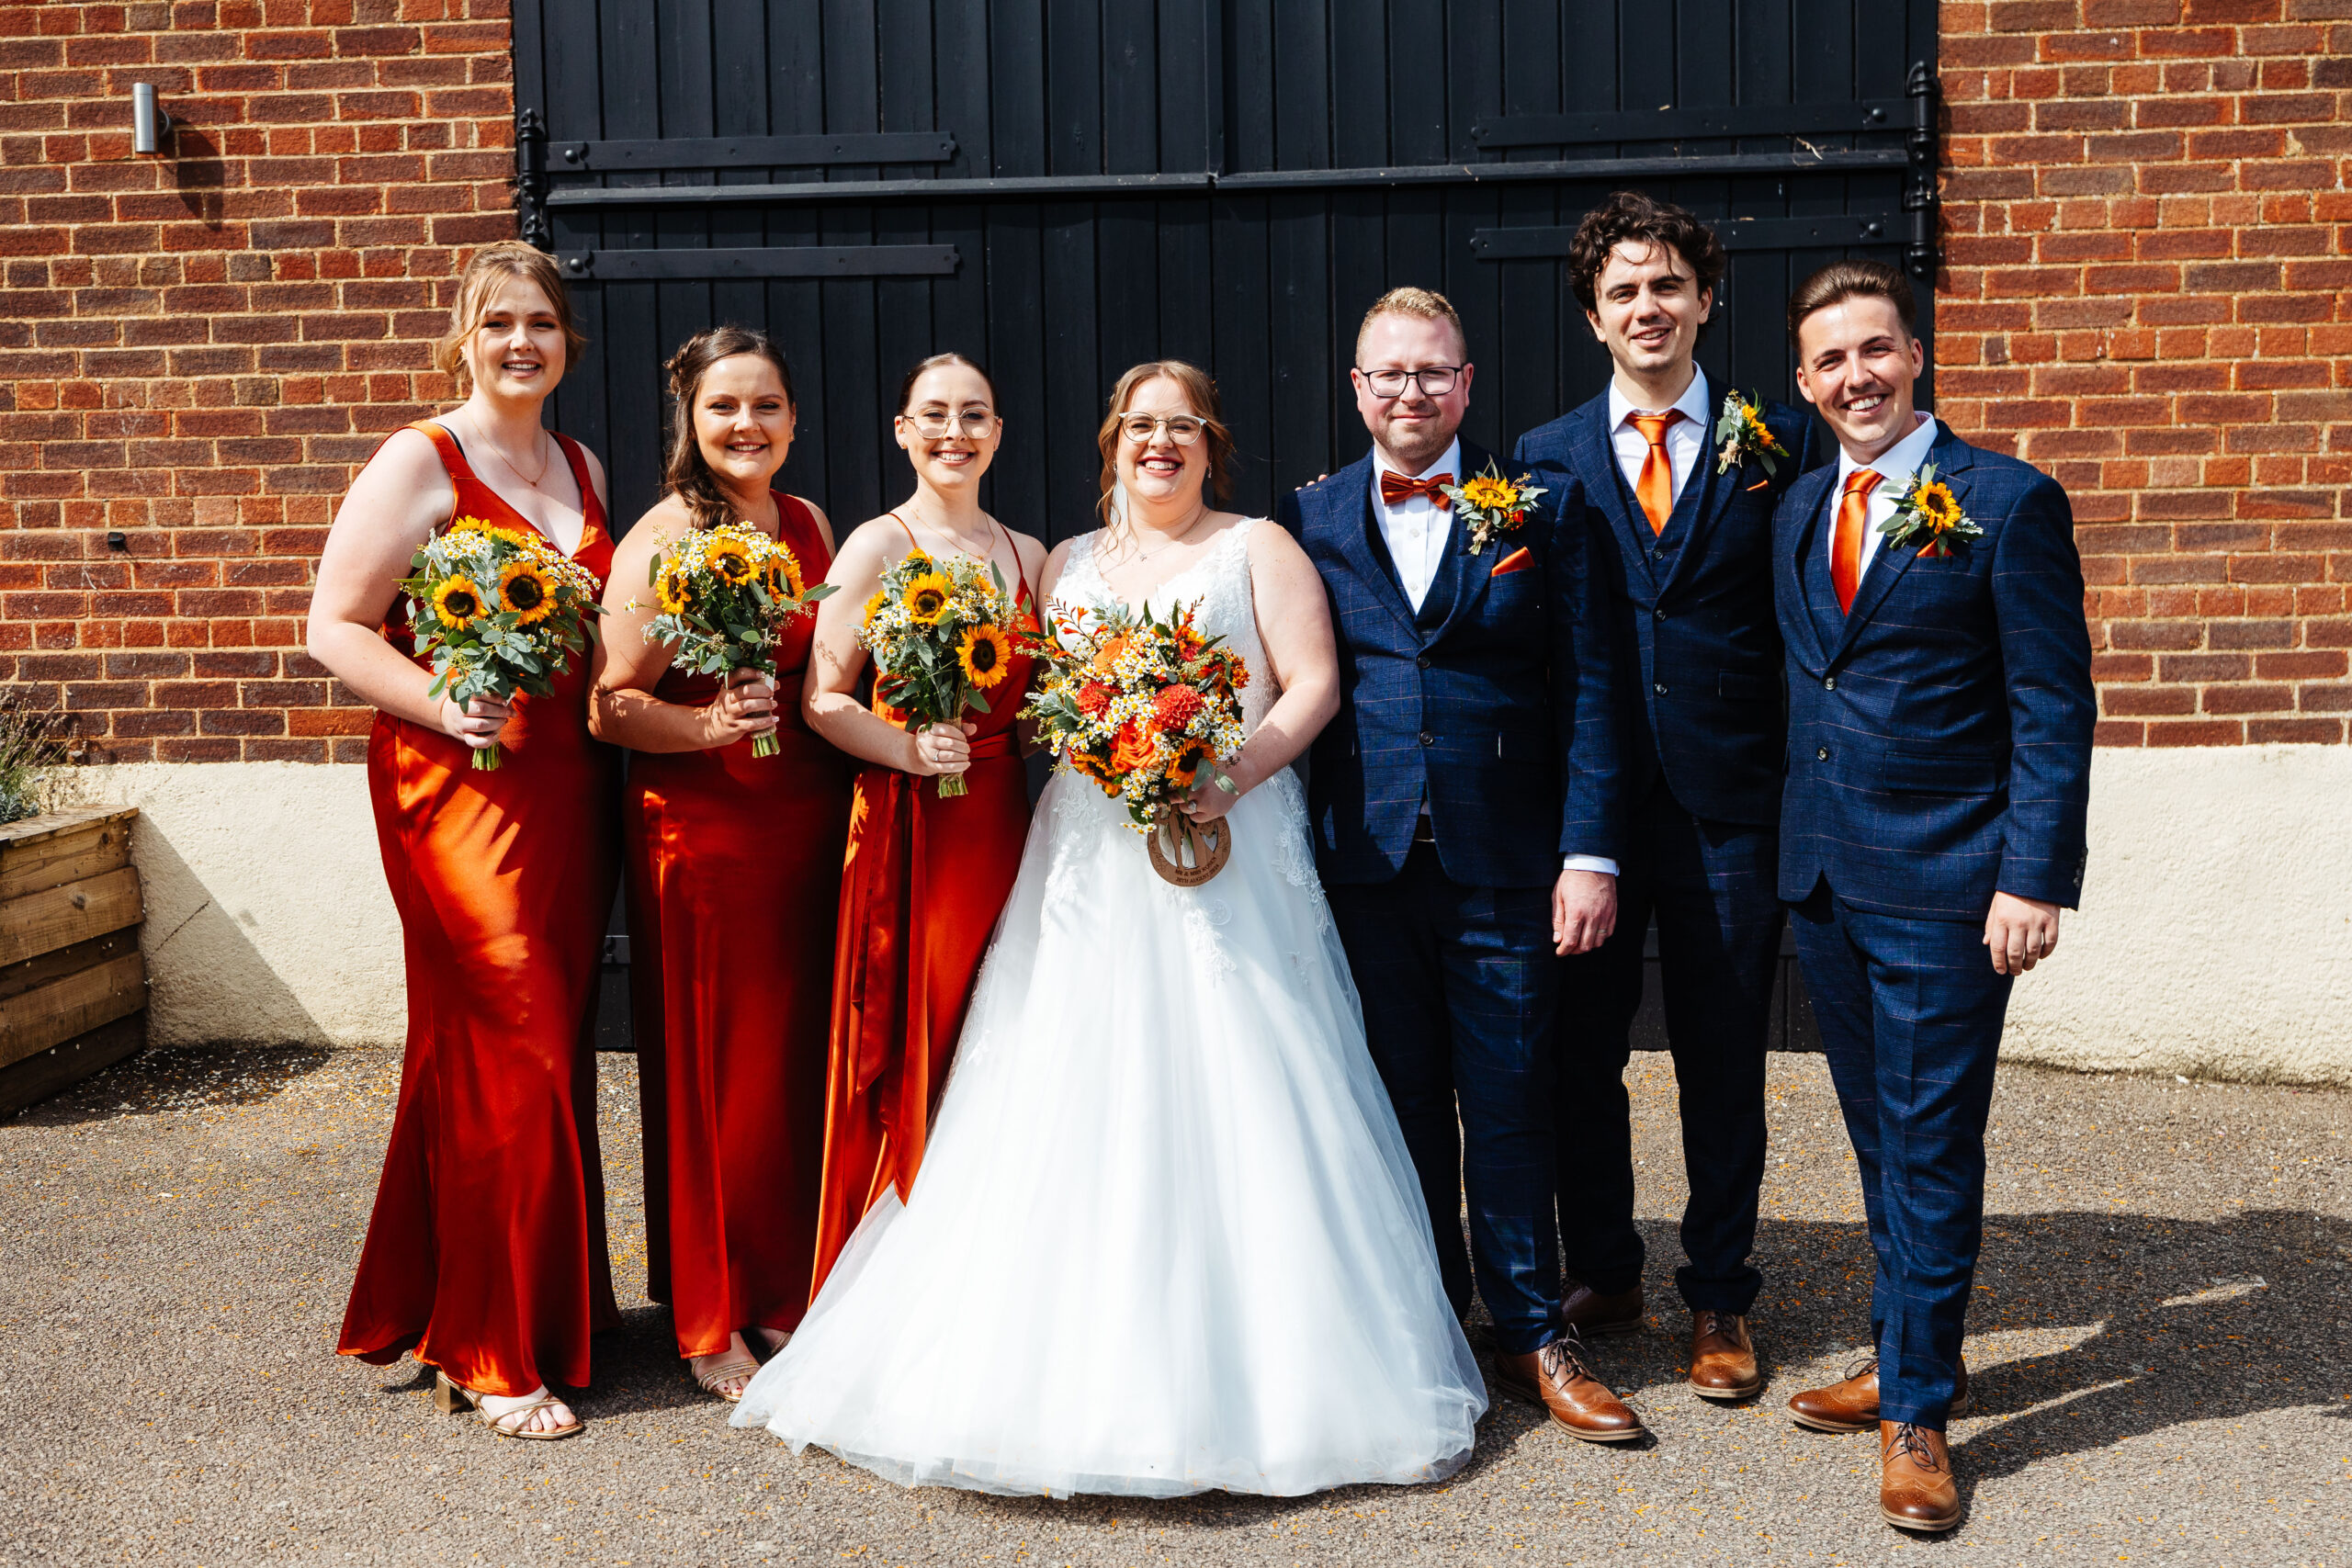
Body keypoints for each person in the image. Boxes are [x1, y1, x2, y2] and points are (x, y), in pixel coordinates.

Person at [733, 360, 1485, 1496]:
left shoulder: (1259, 547)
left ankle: (1272, 1382)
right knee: (1064, 1080)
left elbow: (1312, 686)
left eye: (1183, 427)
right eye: (1142, 427)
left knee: (1252, 1078)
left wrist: (1227, 772)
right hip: (1088, 855)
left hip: (1230, 845)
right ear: (1112, 442)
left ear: (1210, 444)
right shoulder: (1064, 563)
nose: (1161, 445)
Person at [1285, 288, 1641, 1443]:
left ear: (1467, 383)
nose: (1411, 393)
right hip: (1367, 864)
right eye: (1388, 374)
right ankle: (1431, 1322)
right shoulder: (1311, 517)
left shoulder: (1545, 502)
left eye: (1432, 373)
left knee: (1509, 1105)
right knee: (1397, 1107)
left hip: (1507, 861)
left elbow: (1590, 689)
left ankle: (1537, 1331)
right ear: (1356, 388)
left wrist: (1589, 852)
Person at [1770, 260, 2094, 1532]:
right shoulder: (1801, 504)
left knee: (1931, 1141)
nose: (1856, 376)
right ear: (1804, 383)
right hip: (1827, 880)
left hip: (1954, 883)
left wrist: (2033, 873)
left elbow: (2052, 704)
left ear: (1916, 355)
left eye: (1875, 350)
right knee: (1877, 1135)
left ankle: (1918, 1415)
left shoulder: (2007, 502)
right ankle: (1914, 1350)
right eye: (1830, 361)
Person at [1513, 192, 1816, 1399]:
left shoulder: (1776, 445)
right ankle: (1606, 1263)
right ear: (1595, 317)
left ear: (1706, 298)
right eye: (1624, 289)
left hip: (1730, 804)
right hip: (1591, 813)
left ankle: (1723, 1295)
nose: (1650, 306)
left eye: (1669, 284)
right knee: (1580, 1054)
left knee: (1722, 1052)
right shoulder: (1544, 457)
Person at [316, 241, 620, 1441]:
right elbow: (332, 624)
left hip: (567, 790)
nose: (520, 343)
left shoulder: (581, 462)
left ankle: (507, 1307)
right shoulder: (419, 458)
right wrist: (443, 701)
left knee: (511, 1041)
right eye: (499, 323)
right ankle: (493, 1349)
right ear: (465, 337)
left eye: (540, 324)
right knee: (519, 1035)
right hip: (454, 783)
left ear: (565, 343)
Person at [590, 327, 852, 1404]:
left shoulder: (807, 523)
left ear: (792, 418)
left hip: (803, 816)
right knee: (710, 1066)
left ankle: (785, 1288)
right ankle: (706, 1314)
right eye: (723, 408)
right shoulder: (662, 537)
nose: (746, 426)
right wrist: (704, 731)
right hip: (703, 829)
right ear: (690, 423)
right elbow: (608, 703)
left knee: (790, 1065)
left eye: (766, 406)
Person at [798, 353, 1046, 1299]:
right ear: (901, 430)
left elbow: (1029, 709)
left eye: (974, 415)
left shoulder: (1026, 554)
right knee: (913, 1027)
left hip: (1001, 823)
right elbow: (823, 697)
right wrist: (903, 747)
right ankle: (887, 1267)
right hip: (910, 823)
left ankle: (984, 1257)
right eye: (934, 415)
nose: (955, 432)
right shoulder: (878, 544)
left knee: (999, 1028)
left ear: (997, 432)